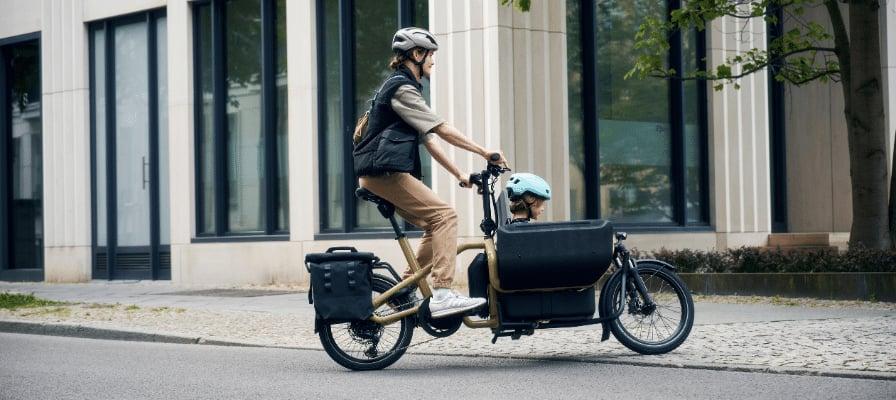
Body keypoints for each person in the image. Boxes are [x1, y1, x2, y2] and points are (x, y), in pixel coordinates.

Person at [353, 27, 507, 319]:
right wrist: (485, 152)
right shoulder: (402, 88)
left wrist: (460, 173)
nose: (434, 61)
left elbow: (429, 140)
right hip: (383, 173)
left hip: (378, 174)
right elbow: (441, 129)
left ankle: (404, 287)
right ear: (416, 54)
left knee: (433, 223)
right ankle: (443, 293)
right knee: (445, 217)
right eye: (431, 55)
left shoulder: (402, 88)